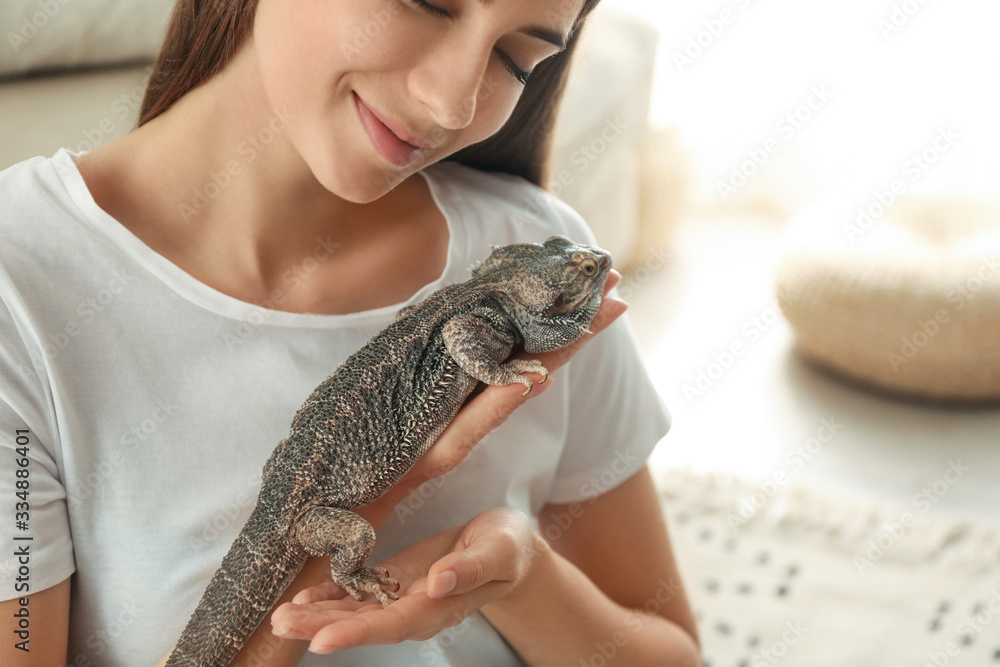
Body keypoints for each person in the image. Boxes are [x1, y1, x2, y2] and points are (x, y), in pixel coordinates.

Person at [0, 0, 701, 664]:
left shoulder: (537, 256)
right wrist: (389, 481)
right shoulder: (21, 287)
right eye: (425, 2)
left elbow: (669, 648)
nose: (452, 102)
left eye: (517, 59)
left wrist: (522, 575)